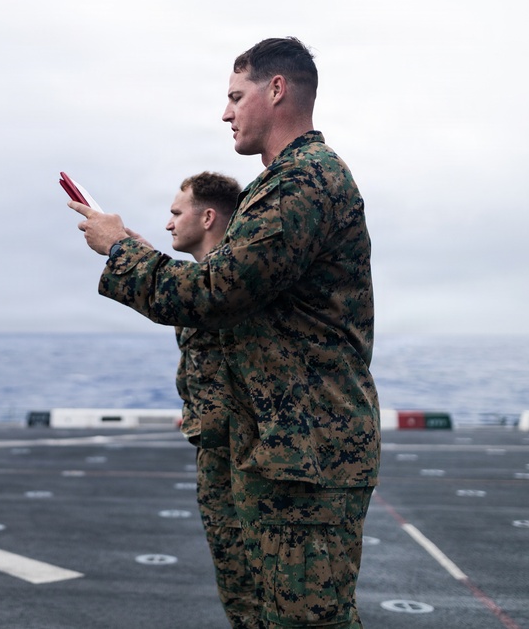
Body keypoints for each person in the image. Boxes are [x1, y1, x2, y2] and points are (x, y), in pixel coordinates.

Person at [70, 37, 381, 628]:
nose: (226, 112)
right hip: (281, 449)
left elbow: (214, 293)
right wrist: (134, 250)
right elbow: (224, 285)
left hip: (307, 453)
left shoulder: (303, 182)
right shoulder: (279, 186)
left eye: (237, 96)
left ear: (278, 90)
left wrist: (119, 252)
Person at [166, 172, 258, 628]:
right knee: (238, 590)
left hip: (246, 460)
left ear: (206, 217)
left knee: (260, 592)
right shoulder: (203, 282)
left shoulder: (233, 282)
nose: (169, 224)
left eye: (176, 213)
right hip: (218, 454)